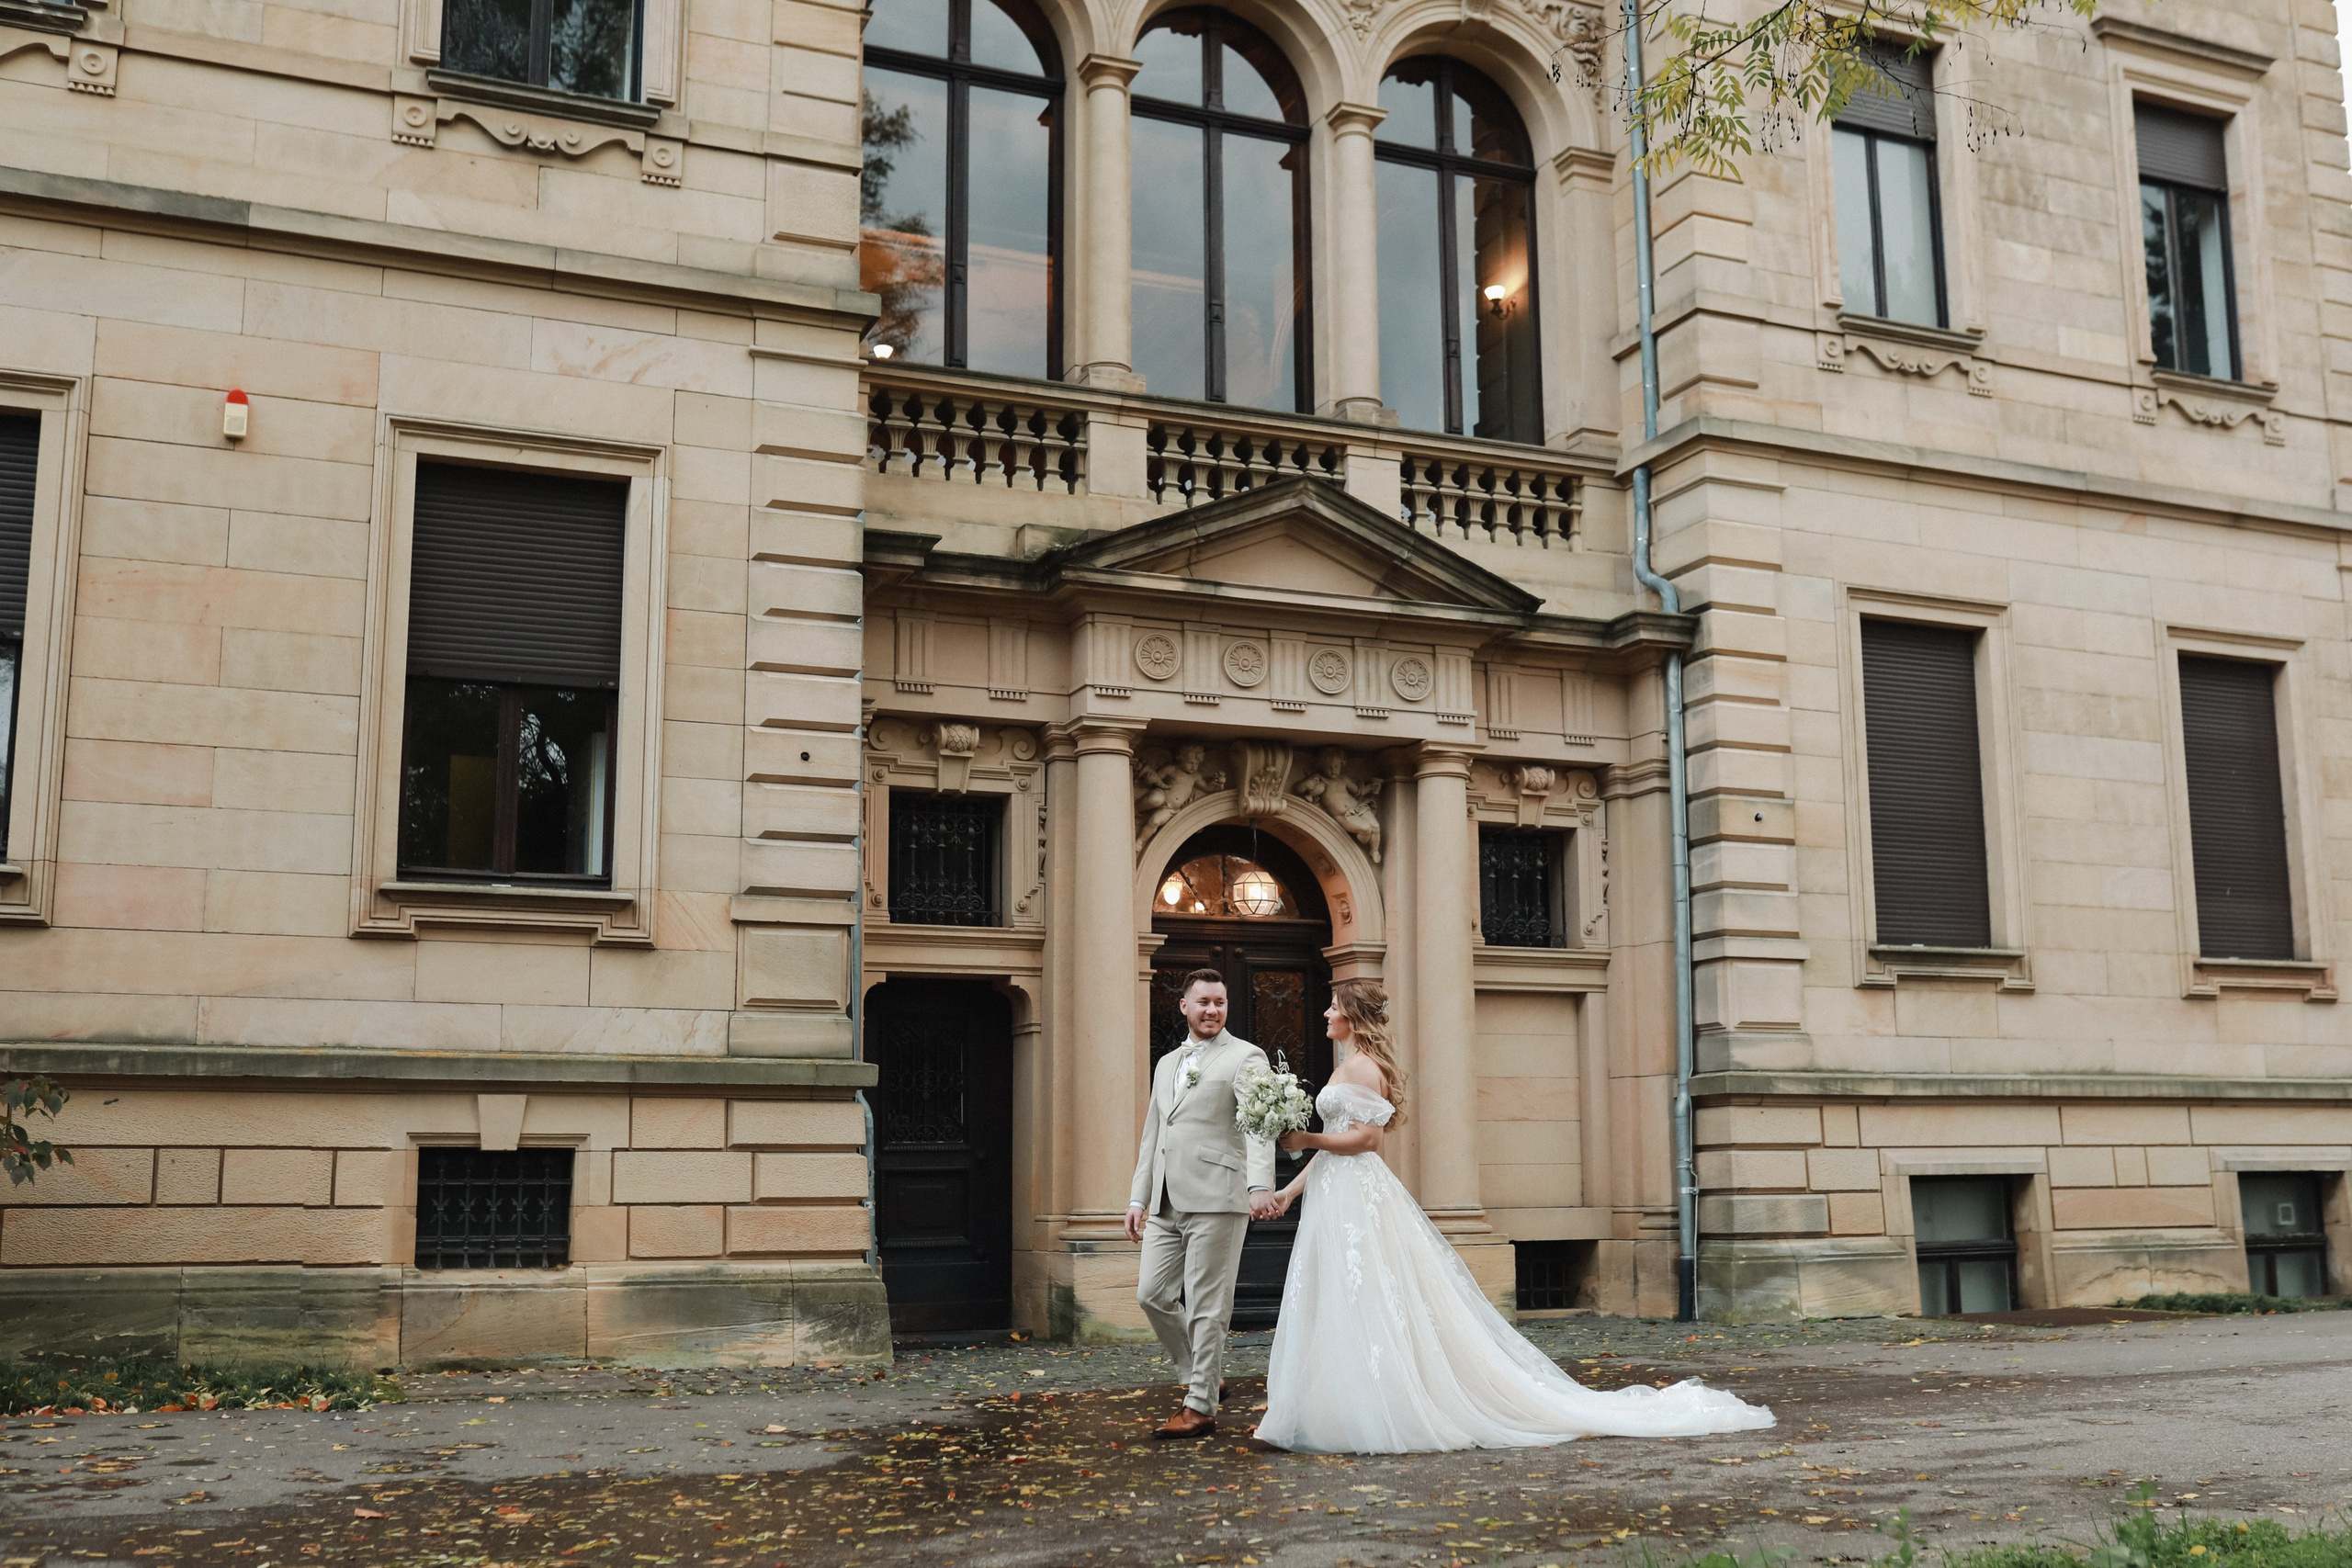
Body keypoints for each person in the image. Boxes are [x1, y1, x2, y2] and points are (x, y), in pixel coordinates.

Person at [1254, 977, 1775, 1454]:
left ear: (1352, 1015)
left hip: (1358, 1198)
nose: (1325, 1012)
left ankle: (1382, 1407)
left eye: (1333, 1006)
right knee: (1338, 1293)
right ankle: (1340, 1403)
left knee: (1366, 1293)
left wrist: (1305, 1138)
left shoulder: (1364, 1067)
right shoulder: (1344, 1066)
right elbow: (1332, 1153)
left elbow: (1368, 1141)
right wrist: (1291, 1190)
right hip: (1334, 1192)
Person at [1125, 968, 1283, 1439]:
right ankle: (1204, 1377)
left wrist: (1260, 1185)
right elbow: (1154, 1134)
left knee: (1207, 1306)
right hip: (1167, 1201)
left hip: (1219, 1196)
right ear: (1184, 1007)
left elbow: (1259, 1125)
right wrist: (1139, 1196)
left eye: (1220, 1001)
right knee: (1151, 1294)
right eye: (1204, 1003)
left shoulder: (1246, 1057)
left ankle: (1199, 1408)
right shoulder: (1166, 1063)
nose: (1212, 1010)